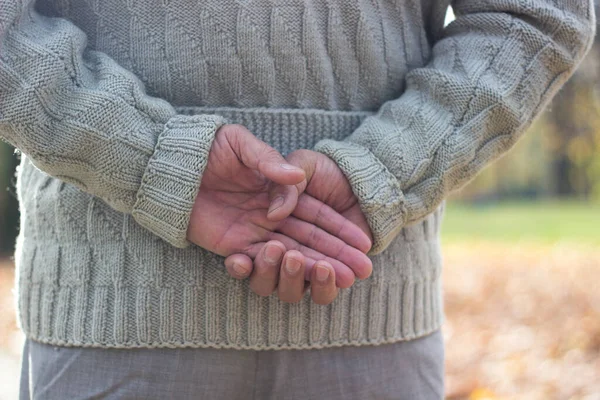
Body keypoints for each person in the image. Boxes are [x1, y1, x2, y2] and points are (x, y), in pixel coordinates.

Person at [1, 0, 594, 398]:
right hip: (105, 319)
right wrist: (150, 156)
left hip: (372, 319)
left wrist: (381, 169)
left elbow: (536, 14)